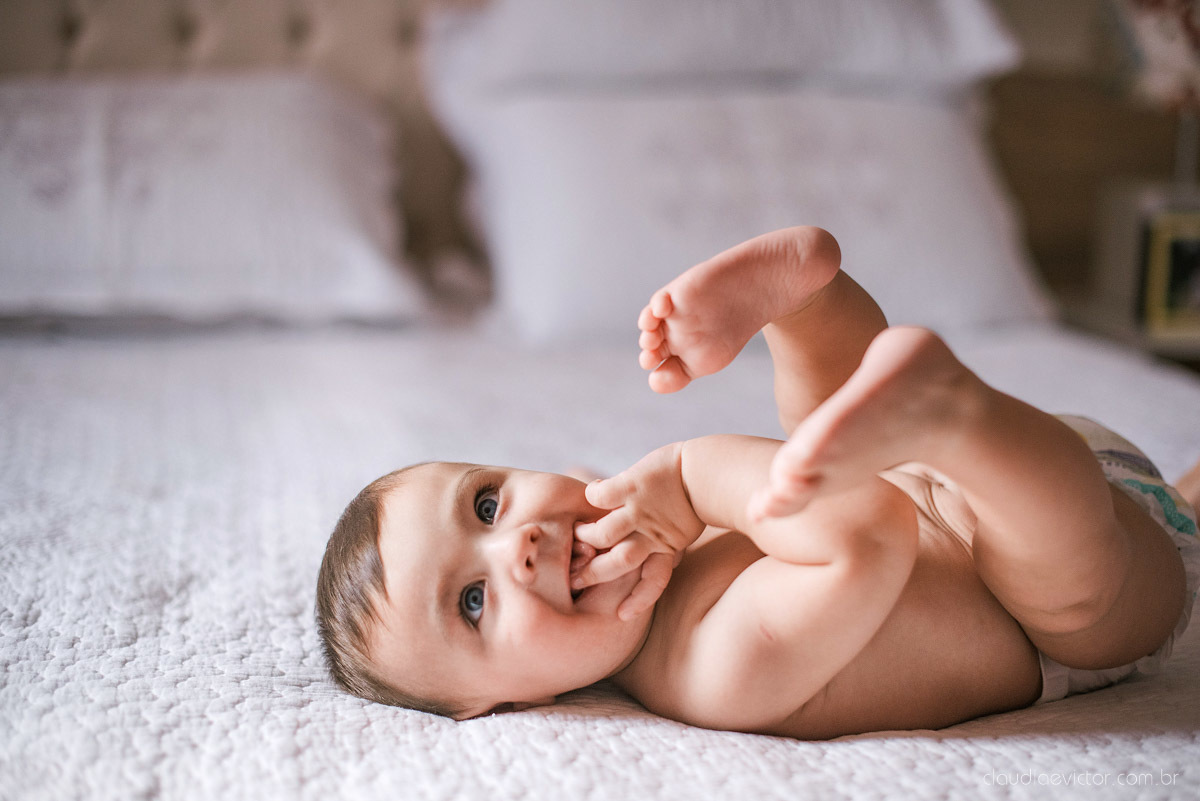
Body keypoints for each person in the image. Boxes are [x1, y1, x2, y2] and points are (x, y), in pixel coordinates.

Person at [315, 226, 1200, 738]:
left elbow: (862, 493)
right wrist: (689, 478)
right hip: (1043, 541)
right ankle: (954, 411)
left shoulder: (622, 519)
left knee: (825, 433)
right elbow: (868, 535)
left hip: (953, 470)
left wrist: (638, 495)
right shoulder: (704, 670)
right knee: (1074, 603)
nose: (521, 543)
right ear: (502, 706)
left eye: (488, 503)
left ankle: (805, 303)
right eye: (473, 602)